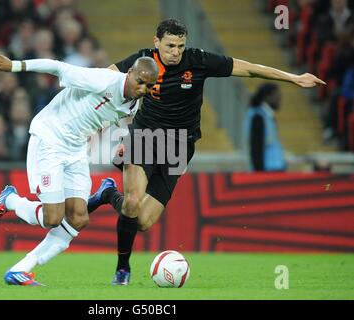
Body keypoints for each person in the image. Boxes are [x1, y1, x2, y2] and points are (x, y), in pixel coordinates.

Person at [86, 19, 326, 285]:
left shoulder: (198, 61)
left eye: (180, 46)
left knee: (142, 221)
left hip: (178, 147)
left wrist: (293, 78)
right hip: (144, 137)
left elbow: (248, 70)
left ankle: (108, 192)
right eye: (169, 46)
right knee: (132, 201)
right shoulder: (143, 60)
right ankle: (122, 270)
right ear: (156, 43)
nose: (175, 52)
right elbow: (103, 77)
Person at [0, 50, 158, 286]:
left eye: (149, 86)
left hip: (75, 150)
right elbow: (57, 67)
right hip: (50, 139)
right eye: (140, 81)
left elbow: (100, 118)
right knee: (53, 217)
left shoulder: (133, 105)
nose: (142, 88)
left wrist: (124, 142)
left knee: (78, 218)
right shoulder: (103, 80)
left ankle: (21, 269)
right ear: (130, 73)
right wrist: (14, 66)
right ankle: (11, 200)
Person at [245, 83, 286, 171]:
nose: (279, 99)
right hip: (268, 169)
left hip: (275, 167)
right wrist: (260, 173)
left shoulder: (267, 115)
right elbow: (256, 147)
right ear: (267, 97)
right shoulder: (258, 116)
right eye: (277, 95)